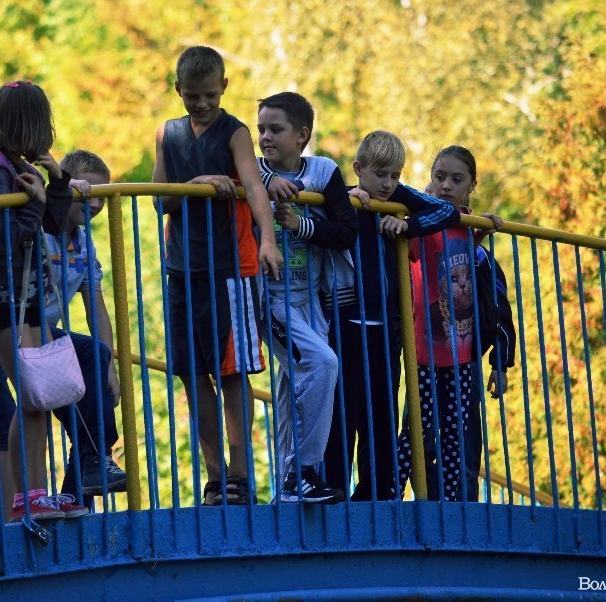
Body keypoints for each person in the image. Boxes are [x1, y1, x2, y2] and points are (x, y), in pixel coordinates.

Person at [152, 46, 283, 506]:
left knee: (232, 373)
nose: (202, 103)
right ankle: (215, 477)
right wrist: (194, 185)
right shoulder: (167, 134)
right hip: (181, 269)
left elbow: (254, 187)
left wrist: (268, 240)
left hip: (229, 269)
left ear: (224, 87)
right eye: (193, 96)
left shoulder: (236, 133)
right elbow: (160, 199)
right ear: (178, 91)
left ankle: (240, 476)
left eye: (210, 94)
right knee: (192, 374)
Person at [0, 80, 86, 521]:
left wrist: (56, 182)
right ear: (28, 123)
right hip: (1, 297)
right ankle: (26, 496)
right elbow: (0, 242)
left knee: (41, 396)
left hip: (27, 295)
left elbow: (53, 226)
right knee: (32, 395)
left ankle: (37, 492)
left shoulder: (17, 165)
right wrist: (34, 204)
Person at [323, 130, 461, 501]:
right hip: (344, 322)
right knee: (341, 410)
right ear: (358, 169)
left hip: (385, 327)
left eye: (395, 175)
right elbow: (312, 208)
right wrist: (346, 199)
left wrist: (406, 224)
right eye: (380, 174)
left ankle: (376, 493)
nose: (387, 183)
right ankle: (334, 488)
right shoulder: (341, 197)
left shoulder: (397, 199)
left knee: (381, 411)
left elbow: (447, 211)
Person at [256, 92, 356, 503]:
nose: (265, 137)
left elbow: (346, 231)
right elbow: (224, 173)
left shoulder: (323, 171)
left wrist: (299, 224)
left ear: (302, 135)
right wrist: (267, 183)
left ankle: (287, 488)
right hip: (272, 301)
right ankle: (302, 473)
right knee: (322, 363)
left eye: (275, 129)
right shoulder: (252, 170)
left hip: (311, 302)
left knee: (291, 388)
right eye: (261, 129)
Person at [392, 145, 505, 502]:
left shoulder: (469, 227)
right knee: (417, 431)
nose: (446, 186)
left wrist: (482, 230)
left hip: (463, 356)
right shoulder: (426, 223)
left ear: (472, 184)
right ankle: (392, 494)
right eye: (439, 177)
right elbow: (411, 241)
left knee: (457, 434)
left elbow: (478, 276)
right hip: (425, 353)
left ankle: (454, 506)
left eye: (457, 179)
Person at [48, 149, 127, 498]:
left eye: (101, 197)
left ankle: (76, 493)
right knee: (85, 363)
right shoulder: (39, 226)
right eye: (85, 193)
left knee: (94, 371)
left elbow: (96, 306)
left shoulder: (83, 243)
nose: (94, 204)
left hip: (43, 334)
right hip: (16, 328)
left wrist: (110, 366)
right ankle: (97, 460)